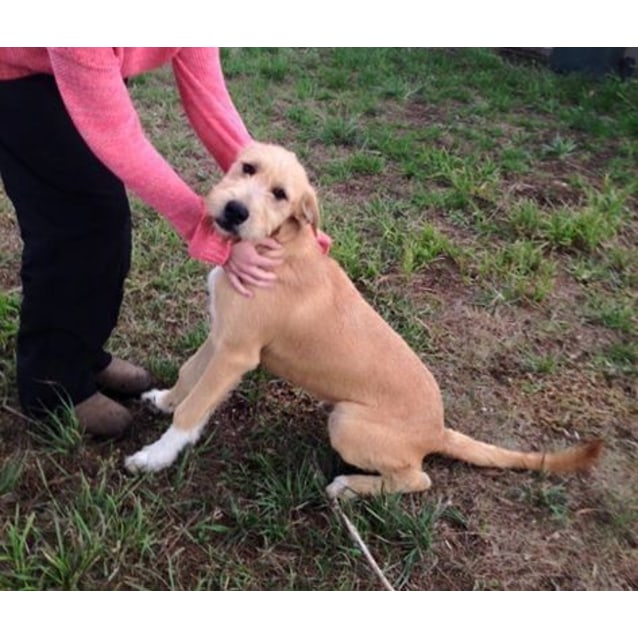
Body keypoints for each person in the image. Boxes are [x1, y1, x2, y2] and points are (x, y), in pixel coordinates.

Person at [0, 47, 285, 437]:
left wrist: (269, 193)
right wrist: (208, 230)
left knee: (101, 224)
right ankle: (51, 386)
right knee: (77, 225)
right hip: (16, 78)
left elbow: (210, 101)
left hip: (82, 67)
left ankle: (82, 355)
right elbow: (118, 138)